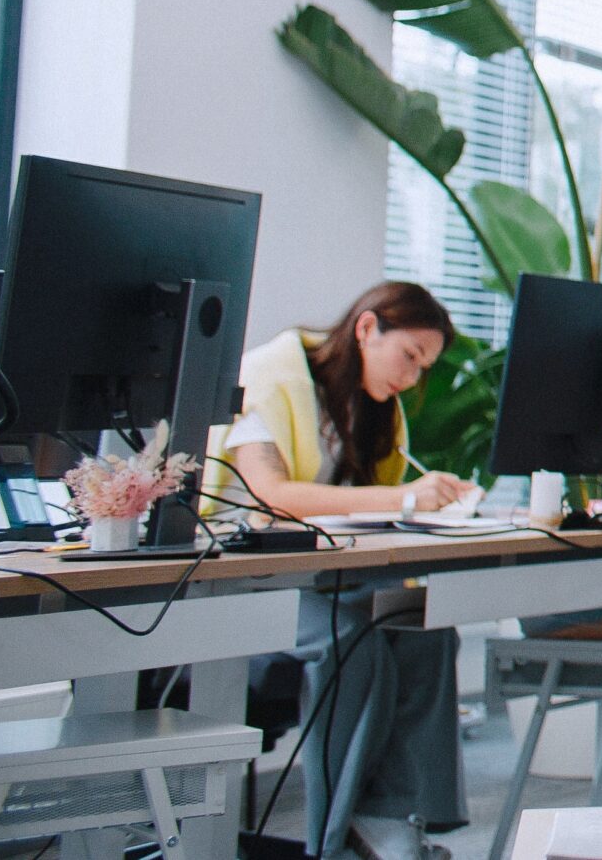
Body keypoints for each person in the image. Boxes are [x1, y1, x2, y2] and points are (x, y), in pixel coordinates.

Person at [202, 282, 473, 860]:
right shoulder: (267, 378)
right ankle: (335, 836)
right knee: (351, 643)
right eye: (410, 356)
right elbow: (273, 496)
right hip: (243, 585)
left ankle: (391, 817)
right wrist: (403, 500)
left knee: (425, 630)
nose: (412, 377)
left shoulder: (376, 414)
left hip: (323, 581)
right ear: (367, 328)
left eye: (423, 367)